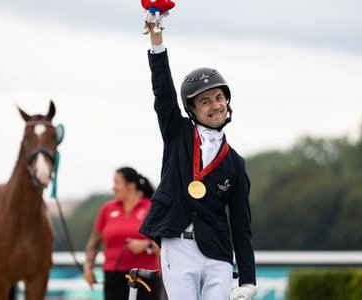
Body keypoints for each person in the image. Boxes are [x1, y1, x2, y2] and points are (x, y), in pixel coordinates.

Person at [138, 21, 258, 300]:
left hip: (217, 252)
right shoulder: (177, 134)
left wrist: (248, 280)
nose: (215, 105)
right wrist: (157, 40)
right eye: (205, 101)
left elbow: (241, 223)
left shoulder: (235, 163)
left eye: (219, 98)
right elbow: (163, 93)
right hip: (178, 248)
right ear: (192, 109)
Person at [83, 167, 163, 300]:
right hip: (113, 277)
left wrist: (146, 246)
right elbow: (94, 242)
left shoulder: (151, 208)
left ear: (131, 185)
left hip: (145, 276)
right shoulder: (107, 209)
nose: (113, 188)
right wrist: (88, 266)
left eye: (117, 183)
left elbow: (167, 244)